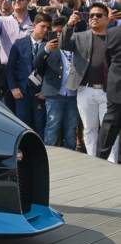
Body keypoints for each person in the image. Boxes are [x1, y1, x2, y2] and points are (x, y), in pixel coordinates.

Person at [62, 2, 118, 161]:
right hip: (85, 89)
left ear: (107, 19)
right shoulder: (80, 36)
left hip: (110, 90)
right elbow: (64, 44)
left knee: (110, 129)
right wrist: (69, 25)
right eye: (90, 15)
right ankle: (92, 162)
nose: (94, 18)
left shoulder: (114, 36)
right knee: (89, 128)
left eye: (98, 15)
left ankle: (111, 163)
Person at [35, 16, 79, 150]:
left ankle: (71, 156)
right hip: (55, 93)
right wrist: (47, 50)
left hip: (74, 94)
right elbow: (36, 65)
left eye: (62, 31)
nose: (59, 34)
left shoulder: (76, 46)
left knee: (71, 128)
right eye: (56, 32)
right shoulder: (45, 46)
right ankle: (50, 156)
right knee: (52, 126)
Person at [7, 13, 51, 137]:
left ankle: (42, 151)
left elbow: (52, 70)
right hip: (22, 90)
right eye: (42, 26)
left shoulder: (49, 45)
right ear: (34, 25)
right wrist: (13, 88)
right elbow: (10, 67)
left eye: (48, 27)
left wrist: (46, 90)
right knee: (22, 123)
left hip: (40, 91)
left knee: (40, 123)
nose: (45, 30)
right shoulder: (19, 43)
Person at [0, 0, 34, 112]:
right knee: (9, 111)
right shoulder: (2, 20)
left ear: (28, 1)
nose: (16, 1)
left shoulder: (34, 21)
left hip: (28, 70)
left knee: (28, 113)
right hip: (7, 71)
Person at [98, 15, 121, 161]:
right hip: (116, 87)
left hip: (117, 85)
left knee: (110, 125)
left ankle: (99, 159)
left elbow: (107, 60)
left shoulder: (112, 33)